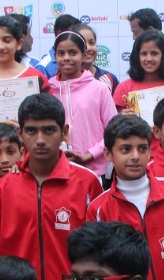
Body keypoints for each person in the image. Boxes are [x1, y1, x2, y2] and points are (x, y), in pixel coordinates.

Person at [0, 93, 103, 280]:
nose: (39, 139)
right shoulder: (4, 188)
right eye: (31, 131)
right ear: (20, 134)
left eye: (49, 130)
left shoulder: (87, 183)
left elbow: (98, 252)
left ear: (64, 132)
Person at [88, 115, 164, 280]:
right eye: (125, 149)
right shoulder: (99, 208)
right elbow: (99, 265)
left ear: (150, 151)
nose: (135, 156)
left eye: (142, 149)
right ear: (108, 154)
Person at [49, 31, 118, 177]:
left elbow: (113, 130)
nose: (66, 58)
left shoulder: (98, 89)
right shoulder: (48, 90)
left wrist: (89, 155)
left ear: (84, 55)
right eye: (61, 53)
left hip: (93, 171)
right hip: (54, 170)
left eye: (73, 52)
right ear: (55, 56)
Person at [113, 30, 164, 112]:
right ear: (137, 56)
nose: (149, 59)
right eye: (144, 54)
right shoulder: (124, 88)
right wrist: (121, 118)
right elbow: (114, 121)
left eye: (154, 53)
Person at [77, 23, 119, 93]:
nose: (88, 48)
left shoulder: (110, 78)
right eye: (82, 43)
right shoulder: (62, 80)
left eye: (92, 43)